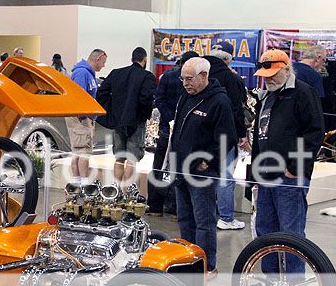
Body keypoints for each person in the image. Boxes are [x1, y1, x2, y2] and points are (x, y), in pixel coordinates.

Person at [251, 49, 324, 276]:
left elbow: (314, 133)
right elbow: (259, 135)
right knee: (265, 230)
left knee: (291, 232)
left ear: (286, 69)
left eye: (273, 73)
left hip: (289, 177)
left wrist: (295, 167)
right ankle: (271, 280)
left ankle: (294, 284)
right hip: (265, 174)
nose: (268, 78)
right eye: (265, 74)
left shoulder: (303, 93)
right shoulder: (267, 97)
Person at [170, 57, 235, 273]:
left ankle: (206, 266)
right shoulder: (185, 97)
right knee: (185, 219)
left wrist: (207, 163)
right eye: (183, 79)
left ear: (204, 76)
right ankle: (188, 261)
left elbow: (227, 139)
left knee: (204, 223)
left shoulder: (219, 102)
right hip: (181, 170)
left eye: (189, 79)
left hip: (201, 175)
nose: (185, 83)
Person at [147, 50, 198, 215]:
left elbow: (159, 99)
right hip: (182, 130)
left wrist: (170, 119)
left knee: (160, 166)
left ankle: (155, 206)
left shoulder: (167, 75)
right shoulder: (194, 79)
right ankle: (176, 208)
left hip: (166, 128)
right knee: (179, 168)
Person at [96, 47, 156, 184]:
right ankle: (125, 191)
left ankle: (116, 190)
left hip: (118, 121)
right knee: (132, 159)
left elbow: (101, 93)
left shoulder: (116, 73)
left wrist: (111, 113)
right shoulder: (147, 77)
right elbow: (146, 99)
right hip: (136, 123)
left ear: (132, 59)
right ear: (145, 59)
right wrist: (144, 115)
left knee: (119, 157)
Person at [205, 41, 248, 230]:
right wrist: (242, 134)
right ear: (229, 59)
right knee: (225, 176)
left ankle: (208, 214)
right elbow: (237, 109)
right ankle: (226, 217)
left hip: (201, 134)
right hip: (225, 134)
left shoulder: (199, 72)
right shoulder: (231, 79)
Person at [67, 49, 107, 183]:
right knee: (82, 152)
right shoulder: (81, 73)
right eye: (103, 62)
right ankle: (83, 186)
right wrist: (85, 118)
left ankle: (78, 185)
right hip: (81, 118)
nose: (103, 65)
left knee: (80, 152)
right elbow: (79, 98)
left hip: (84, 118)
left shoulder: (87, 73)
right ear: (98, 58)